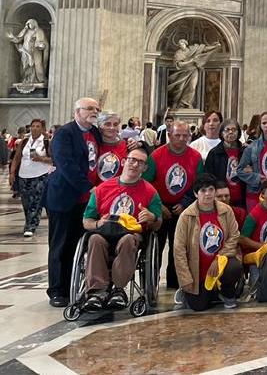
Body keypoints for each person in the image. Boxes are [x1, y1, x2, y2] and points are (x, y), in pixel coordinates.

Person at [80, 145, 162, 310]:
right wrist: (97, 224)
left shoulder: (150, 192)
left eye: (140, 162)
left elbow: (158, 224)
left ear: (145, 168)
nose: (135, 164)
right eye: (132, 160)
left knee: (127, 240)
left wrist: (152, 218)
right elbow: (86, 220)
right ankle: (97, 291)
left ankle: (118, 289)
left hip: (131, 234)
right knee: (94, 239)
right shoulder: (102, 189)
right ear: (124, 161)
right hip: (105, 232)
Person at [45, 98, 102, 307]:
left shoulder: (95, 133)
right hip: (64, 197)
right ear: (77, 111)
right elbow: (66, 164)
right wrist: (88, 187)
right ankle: (57, 290)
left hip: (86, 201)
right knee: (60, 244)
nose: (94, 112)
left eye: (96, 109)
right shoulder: (65, 133)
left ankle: (72, 285)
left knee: (77, 245)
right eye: (89, 109)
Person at [146, 121, 205, 290]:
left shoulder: (195, 157)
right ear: (169, 135)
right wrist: (159, 207)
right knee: (157, 246)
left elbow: (198, 184)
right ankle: (152, 282)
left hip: (185, 207)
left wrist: (185, 203)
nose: (181, 139)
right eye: (177, 135)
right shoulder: (156, 156)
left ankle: (174, 282)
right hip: (160, 206)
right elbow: (146, 185)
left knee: (179, 247)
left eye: (185, 136)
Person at [173, 173, 244, 311]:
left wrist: (219, 258)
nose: (208, 194)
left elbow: (234, 236)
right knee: (198, 306)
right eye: (203, 191)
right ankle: (188, 291)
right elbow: (179, 249)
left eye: (211, 190)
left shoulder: (226, 210)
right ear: (195, 193)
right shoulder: (186, 216)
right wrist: (185, 278)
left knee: (234, 266)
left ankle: (226, 292)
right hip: (197, 269)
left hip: (220, 263)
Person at [10, 118, 51, 237]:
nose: (35, 128)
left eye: (38, 126)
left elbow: (54, 159)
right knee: (26, 201)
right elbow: (17, 157)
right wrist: (12, 173)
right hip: (24, 174)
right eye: (33, 126)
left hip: (40, 175)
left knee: (36, 201)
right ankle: (29, 220)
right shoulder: (24, 141)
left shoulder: (46, 141)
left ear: (42, 128)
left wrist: (41, 159)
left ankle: (31, 226)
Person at [205, 119, 245, 208]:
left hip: (241, 197)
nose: (231, 132)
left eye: (234, 130)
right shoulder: (214, 153)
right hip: (221, 197)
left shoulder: (244, 151)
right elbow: (208, 176)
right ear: (221, 133)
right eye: (227, 130)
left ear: (238, 133)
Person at [90, 111, 128, 185]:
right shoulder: (93, 144)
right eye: (107, 124)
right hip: (96, 190)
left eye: (115, 124)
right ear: (100, 126)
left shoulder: (126, 145)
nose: (112, 127)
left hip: (117, 190)